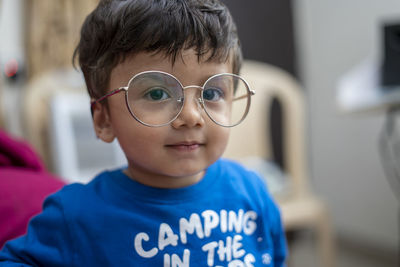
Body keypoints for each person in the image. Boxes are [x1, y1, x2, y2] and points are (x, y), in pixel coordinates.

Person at [0, 0, 287, 266]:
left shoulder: (252, 192)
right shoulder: (76, 216)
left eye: (212, 92)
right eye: (157, 93)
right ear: (103, 119)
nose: (190, 116)